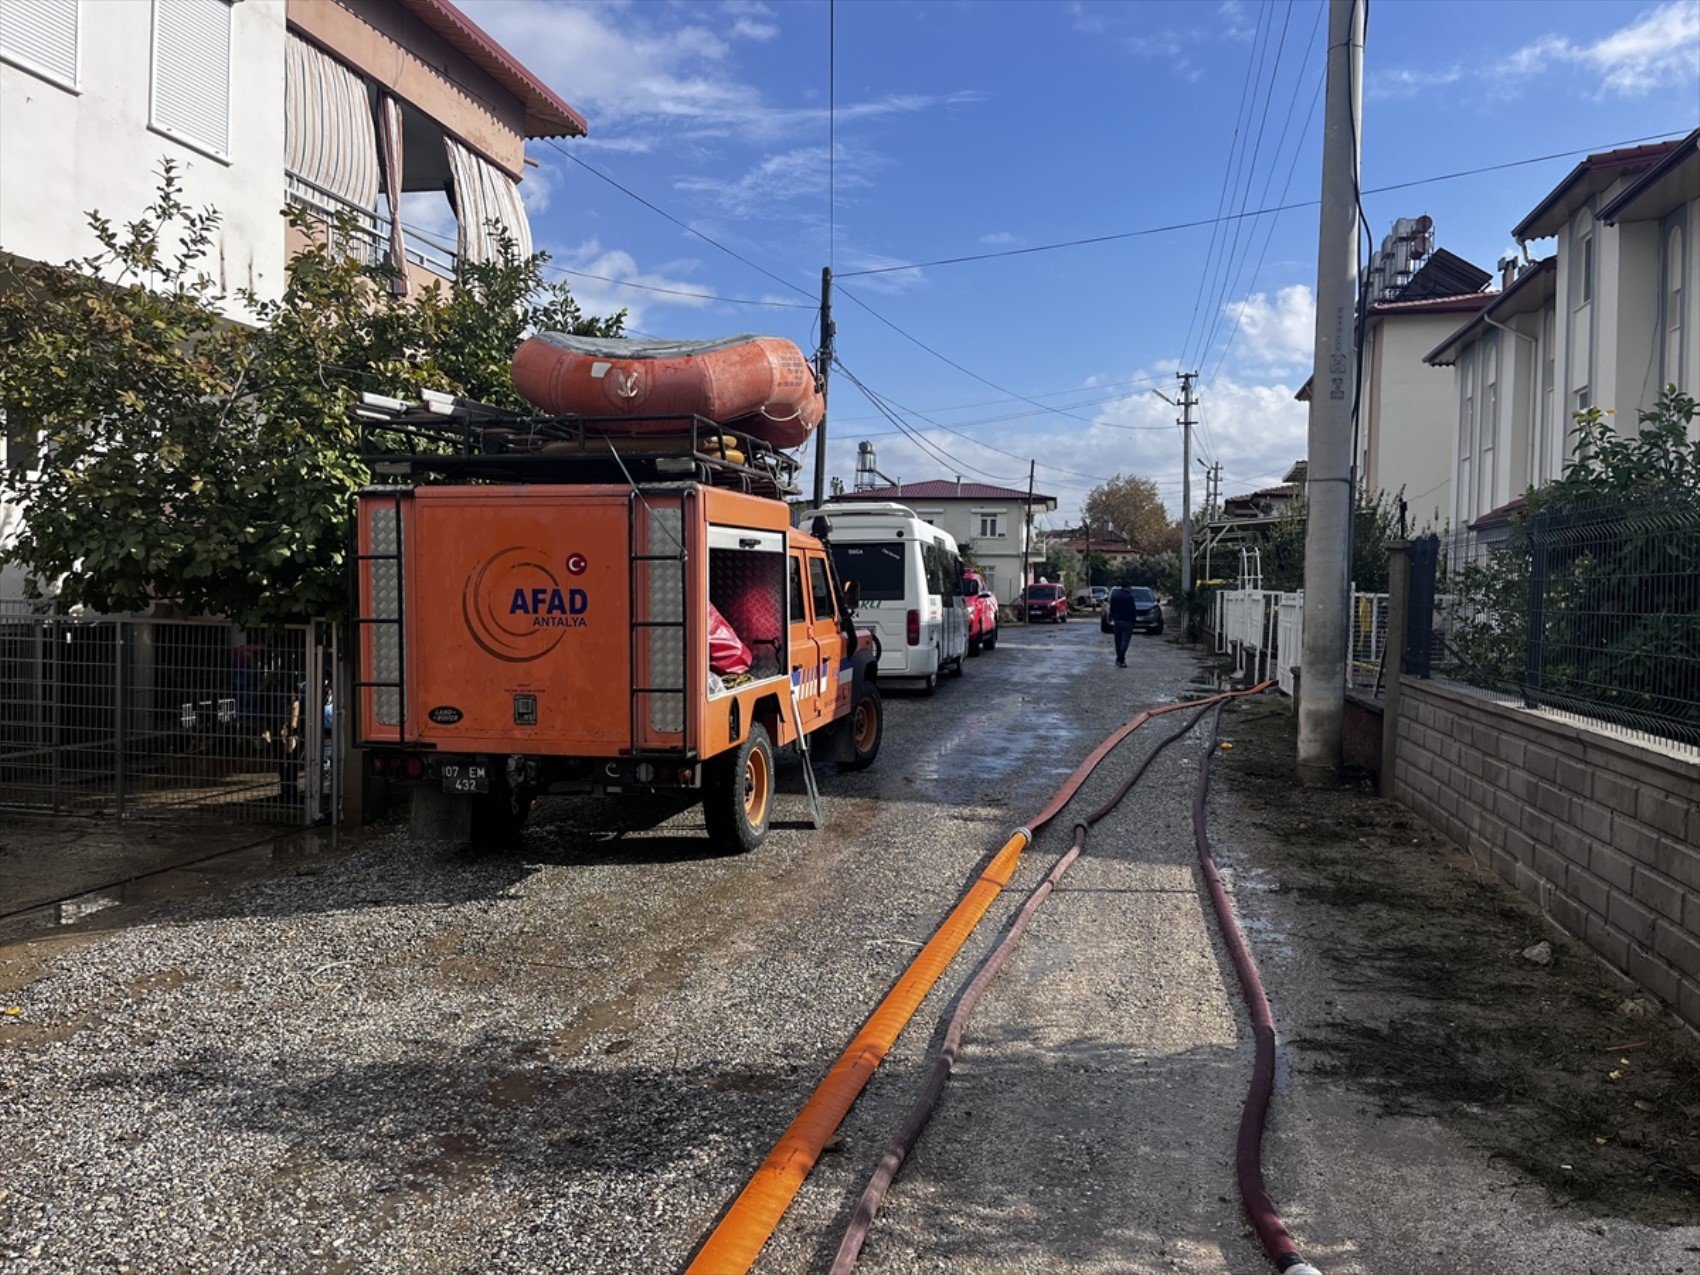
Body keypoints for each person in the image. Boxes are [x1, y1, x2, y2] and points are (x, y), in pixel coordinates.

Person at [1107, 585, 1137, 667]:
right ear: (1127, 588)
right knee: (1125, 641)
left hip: (1117, 621)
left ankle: (1119, 659)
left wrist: (1111, 617)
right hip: (1127, 622)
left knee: (1118, 641)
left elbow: (1111, 608)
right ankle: (1121, 658)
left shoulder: (1115, 596)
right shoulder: (1130, 597)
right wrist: (1134, 621)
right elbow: (1133, 610)